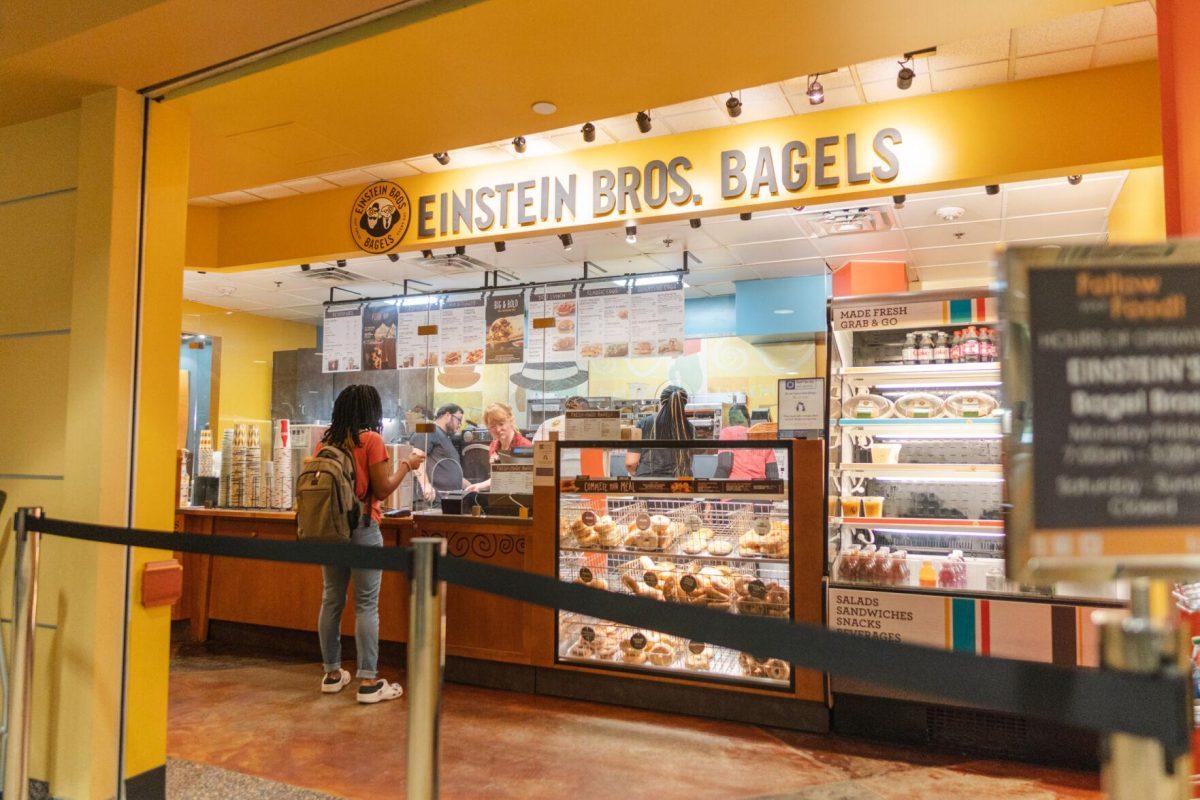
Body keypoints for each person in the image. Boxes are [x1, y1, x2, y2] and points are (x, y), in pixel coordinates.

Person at [316, 385, 425, 704]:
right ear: (372, 411)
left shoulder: (327, 441)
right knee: (365, 603)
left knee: (332, 598)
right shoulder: (372, 441)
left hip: (329, 529)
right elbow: (382, 489)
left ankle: (332, 674)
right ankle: (368, 681)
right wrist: (407, 464)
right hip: (362, 528)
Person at [625, 386, 695, 478]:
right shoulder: (690, 428)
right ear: (684, 404)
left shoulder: (643, 423)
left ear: (661, 402)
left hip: (648, 483)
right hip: (680, 484)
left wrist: (634, 473)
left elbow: (631, 462)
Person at [466, 402, 533, 492]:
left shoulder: (524, 446)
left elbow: (525, 483)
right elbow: (498, 479)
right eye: (493, 426)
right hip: (499, 498)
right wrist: (478, 486)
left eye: (501, 424)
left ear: (511, 421)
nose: (498, 429)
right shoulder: (493, 446)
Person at [410, 403, 470, 499]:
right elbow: (416, 456)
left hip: (447, 499)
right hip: (431, 500)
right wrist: (425, 485)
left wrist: (471, 487)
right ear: (447, 415)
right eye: (458, 420)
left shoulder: (446, 438)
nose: (460, 424)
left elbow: (449, 472)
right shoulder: (427, 427)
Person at [714, 403, 779, 480]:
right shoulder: (761, 436)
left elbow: (724, 466)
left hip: (736, 487)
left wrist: (713, 488)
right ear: (748, 419)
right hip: (759, 487)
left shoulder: (727, 432)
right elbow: (772, 472)